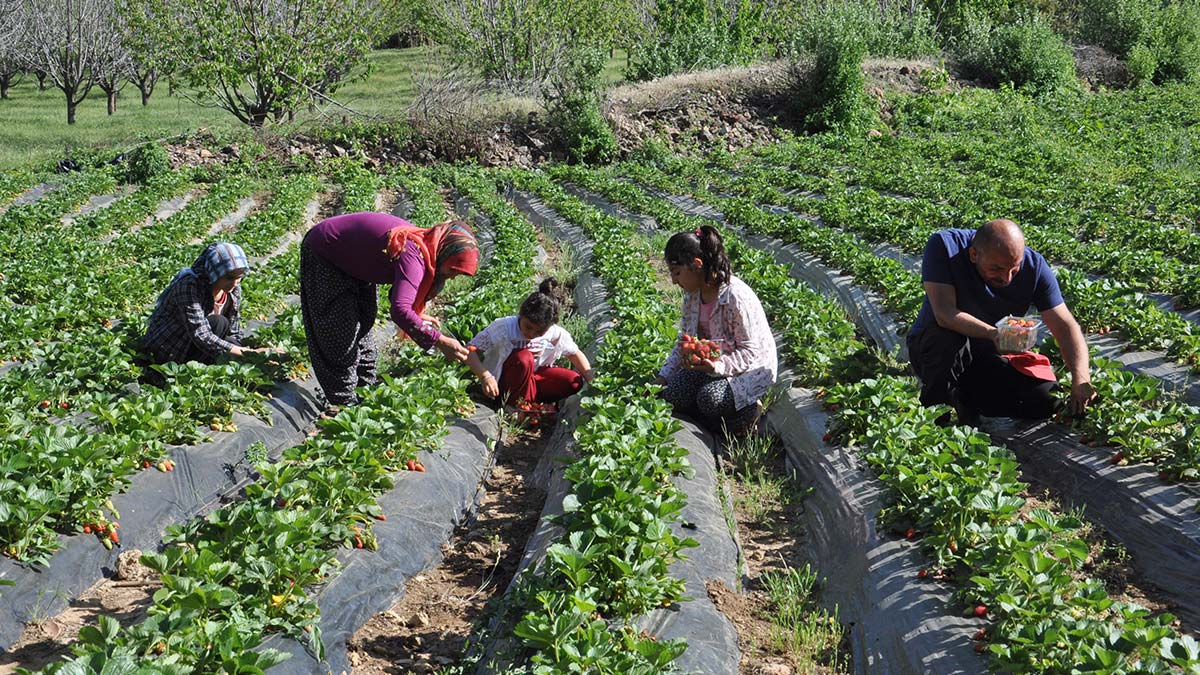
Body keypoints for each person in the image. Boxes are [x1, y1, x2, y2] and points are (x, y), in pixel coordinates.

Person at [907, 219, 1097, 426]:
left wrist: (1081, 377)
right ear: (974, 255)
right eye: (996, 269)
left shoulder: (1035, 267)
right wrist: (993, 333)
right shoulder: (945, 246)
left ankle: (964, 398)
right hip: (936, 351)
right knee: (946, 341)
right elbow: (945, 313)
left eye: (1014, 269)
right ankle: (935, 422)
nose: (1006, 278)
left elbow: (1065, 326)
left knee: (1043, 399)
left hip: (987, 355)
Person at [300, 213, 478, 408]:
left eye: (457, 274)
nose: (452, 277)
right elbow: (400, 310)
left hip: (356, 263)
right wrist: (440, 341)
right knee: (339, 333)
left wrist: (417, 314)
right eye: (452, 270)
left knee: (365, 324)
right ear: (444, 251)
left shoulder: (426, 248)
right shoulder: (415, 255)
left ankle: (363, 394)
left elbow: (404, 297)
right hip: (326, 253)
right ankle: (345, 404)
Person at [655, 226, 777, 435]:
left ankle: (749, 411)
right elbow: (684, 341)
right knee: (671, 396)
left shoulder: (735, 297)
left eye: (677, 273)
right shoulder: (692, 296)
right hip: (710, 366)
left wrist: (717, 366)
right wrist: (662, 378)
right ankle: (716, 416)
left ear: (697, 265)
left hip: (747, 370)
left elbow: (750, 352)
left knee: (709, 400)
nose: (674, 281)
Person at [465, 278, 594, 409]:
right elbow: (470, 350)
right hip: (503, 383)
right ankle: (516, 407)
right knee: (523, 358)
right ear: (521, 315)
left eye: (540, 332)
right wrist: (485, 376)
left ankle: (531, 404)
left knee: (573, 381)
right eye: (528, 327)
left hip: (533, 379)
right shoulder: (504, 327)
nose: (532, 334)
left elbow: (574, 353)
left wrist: (592, 380)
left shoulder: (554, 333)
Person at [143, 241, 277, 364]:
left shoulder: (233, 289)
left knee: (225, 330)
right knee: (218, 322)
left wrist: (254, 357)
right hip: (171, 347)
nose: (235, 283)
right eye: (229, 277)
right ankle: (191, 370)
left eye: (239, 277)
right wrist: (249, 353)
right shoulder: (189, 286)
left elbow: (233, 331)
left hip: (201, 344)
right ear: (215, 272)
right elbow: (201, 334)